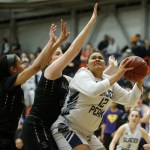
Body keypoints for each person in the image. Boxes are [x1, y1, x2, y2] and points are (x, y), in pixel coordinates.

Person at [22, 3, 102, 150]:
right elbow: (74, 49)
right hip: (36, 126)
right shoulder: (50, 73)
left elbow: (91, 83)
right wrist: (91, 22)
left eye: (61, 52)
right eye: (58, 54)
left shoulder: (67, 80)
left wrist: (110, 69)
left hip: (54, 127)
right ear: (49, 60)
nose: (62, 55)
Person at [51, 46, 144, 149]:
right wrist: (118, 73)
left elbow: (131, 101)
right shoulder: (82, 74)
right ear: (87, 65)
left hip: (89, 133)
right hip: (67, 126)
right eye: (93, 58)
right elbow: (93, 90)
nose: (97, 59)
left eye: (100, 58)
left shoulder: (110, 82)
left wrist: (139, 80)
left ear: (104, 65)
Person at [0, 23, 68, 150]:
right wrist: (54, 42)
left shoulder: (14, 87)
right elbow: (37, 66)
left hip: (8, 138)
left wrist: (55, 42)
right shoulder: (6, 83)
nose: (24, 65)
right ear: (13, 69)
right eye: (21, 63)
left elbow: (41, 64)